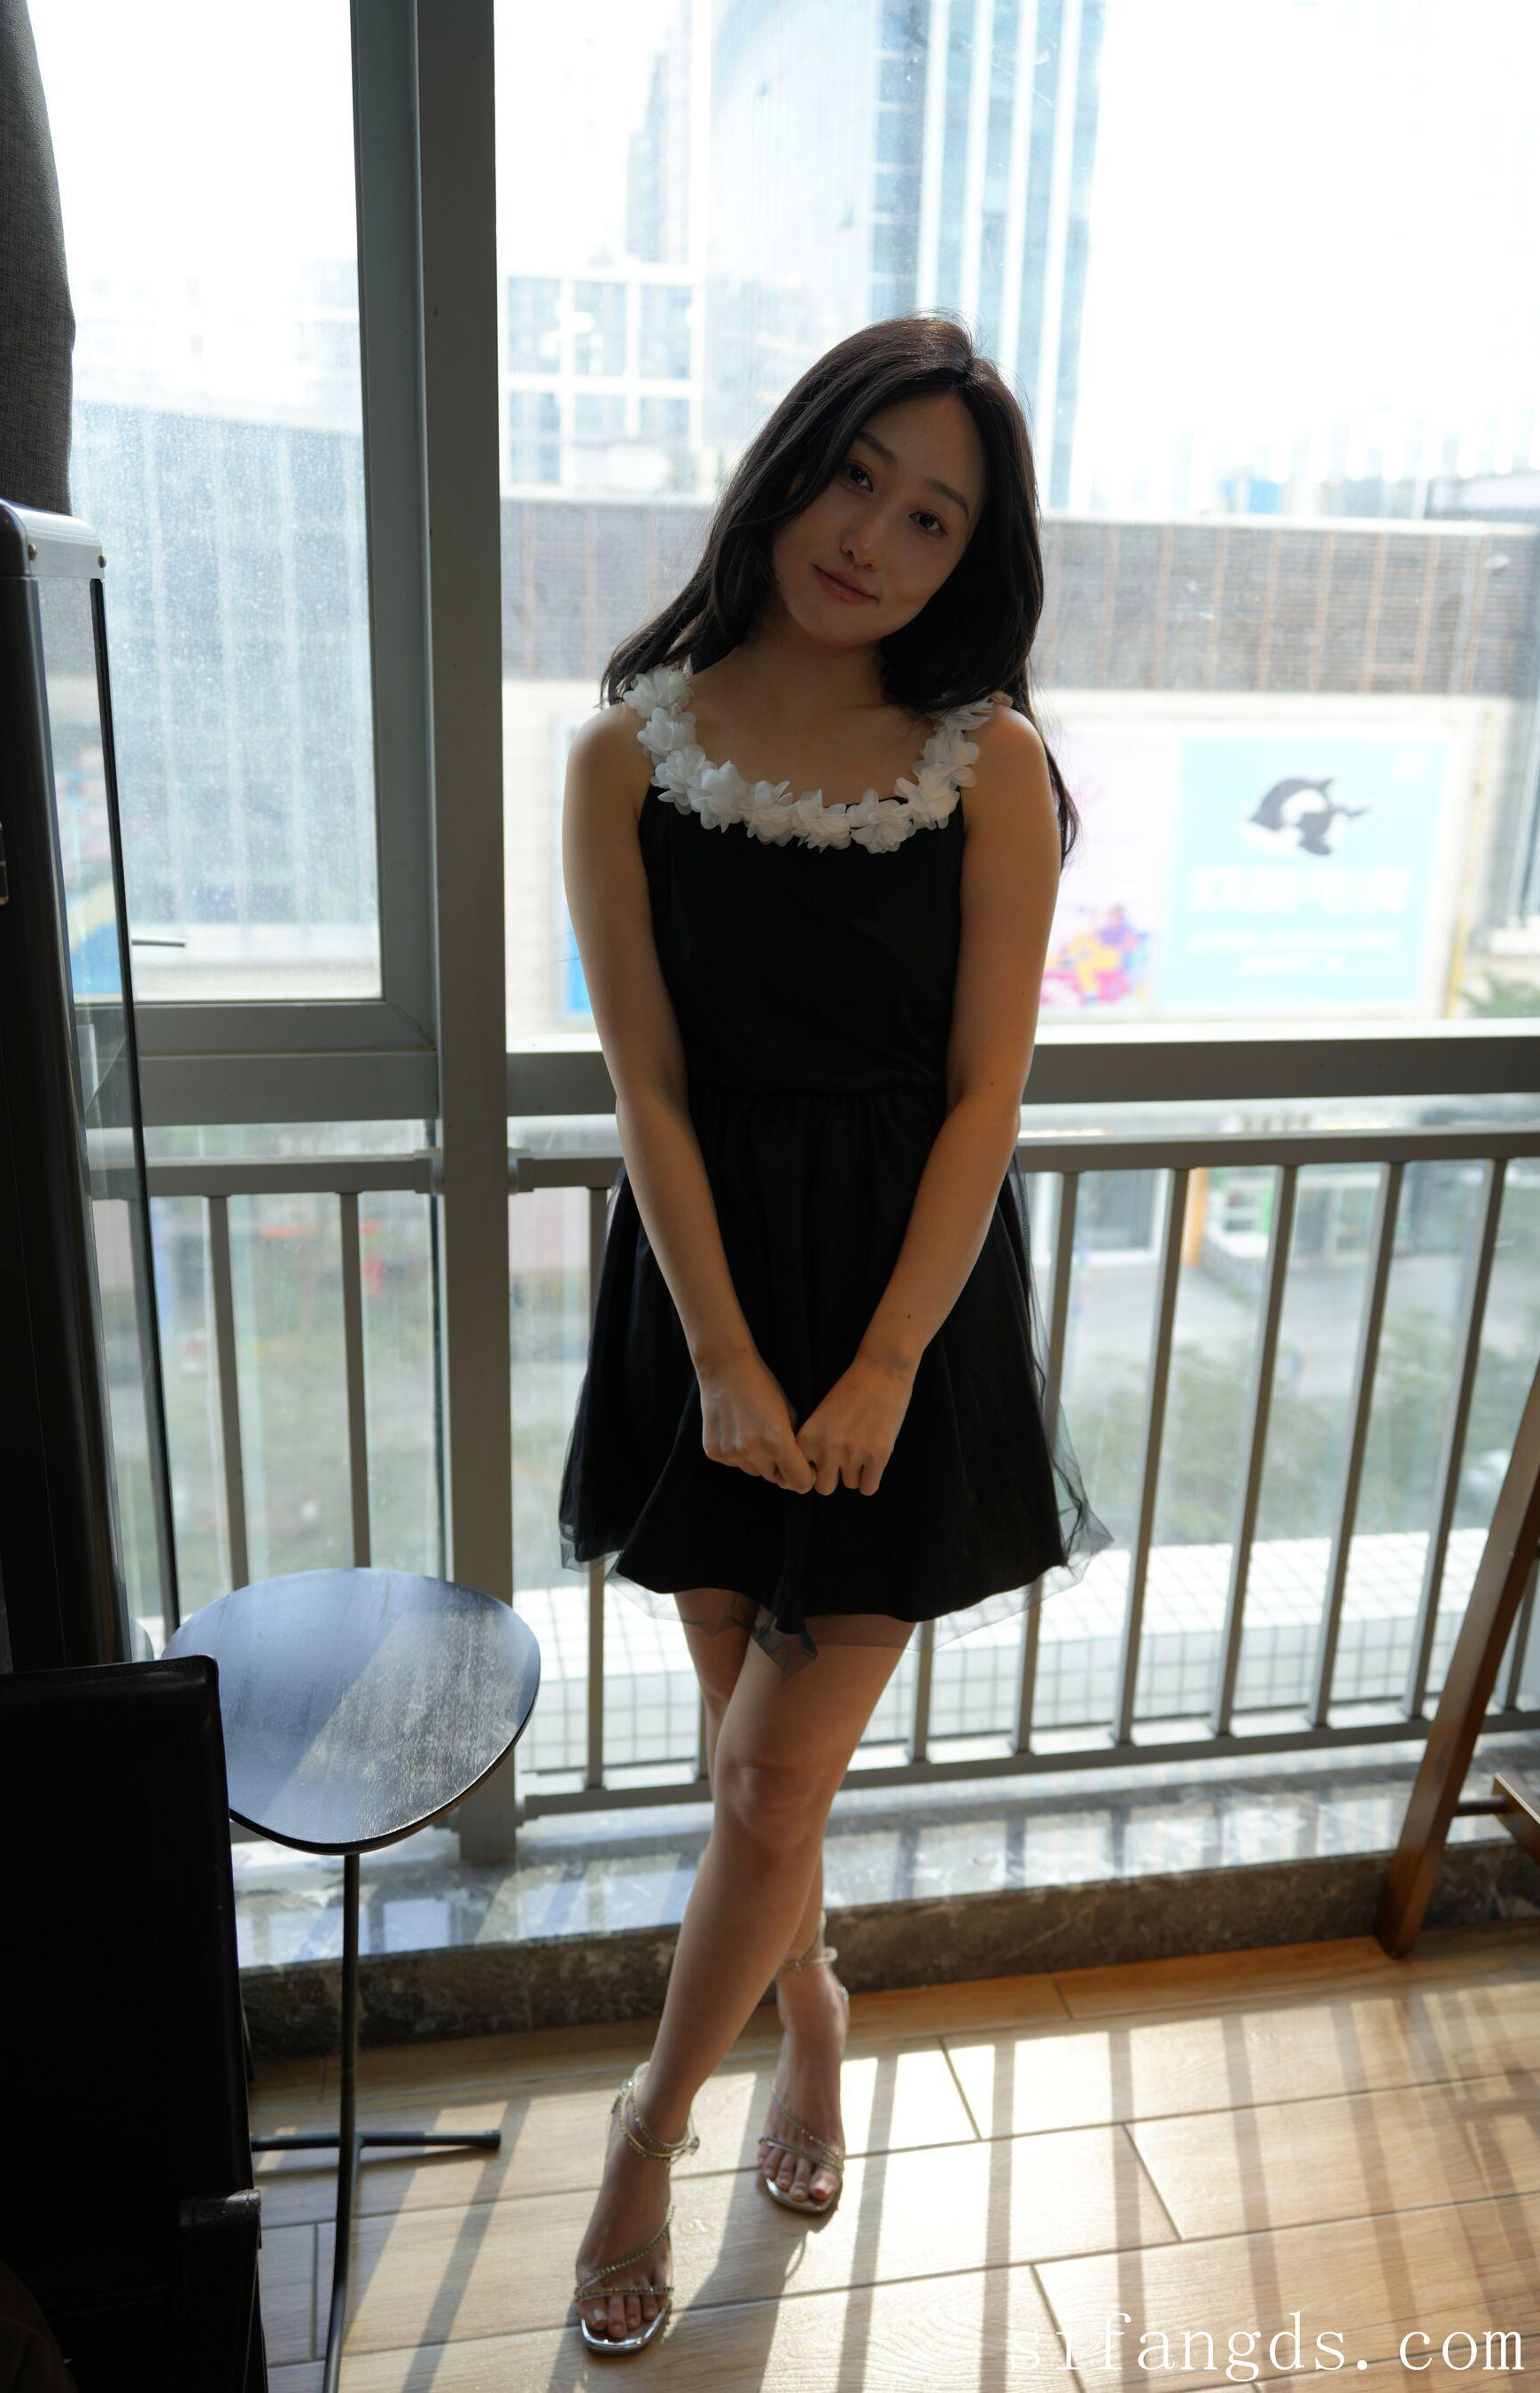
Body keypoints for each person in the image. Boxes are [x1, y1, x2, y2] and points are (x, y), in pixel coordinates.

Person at [558, 311, 1107, 2353]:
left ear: (974, 558)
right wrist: (718, 1357)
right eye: (857, 476)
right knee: (750, 1776)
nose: (874, 536)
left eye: (933, 515)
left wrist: (880, 1367)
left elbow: (987, 1097)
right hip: (702, 1297)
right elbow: (646, 1085)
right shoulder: (627, 752)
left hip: (904, 1314)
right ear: (789, 465)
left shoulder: (992, 766)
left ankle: (644, 2132)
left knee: (767, 1782)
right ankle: (813, 2013)